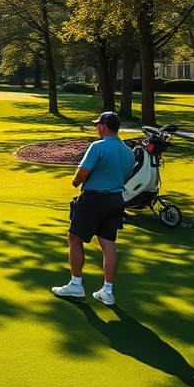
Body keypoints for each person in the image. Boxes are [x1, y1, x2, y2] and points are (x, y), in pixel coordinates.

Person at [51, 111, 134, 305]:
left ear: (104, 126)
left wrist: (75, 181)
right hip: (116, 200)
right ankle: (107, 292)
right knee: (108, 244)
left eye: (98, 125)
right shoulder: (128, 151)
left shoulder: (98, 146)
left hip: (94, 199)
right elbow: (126, 176)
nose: (96, 128)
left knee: (74, 237)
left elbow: (82, 173)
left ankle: (76, 285)